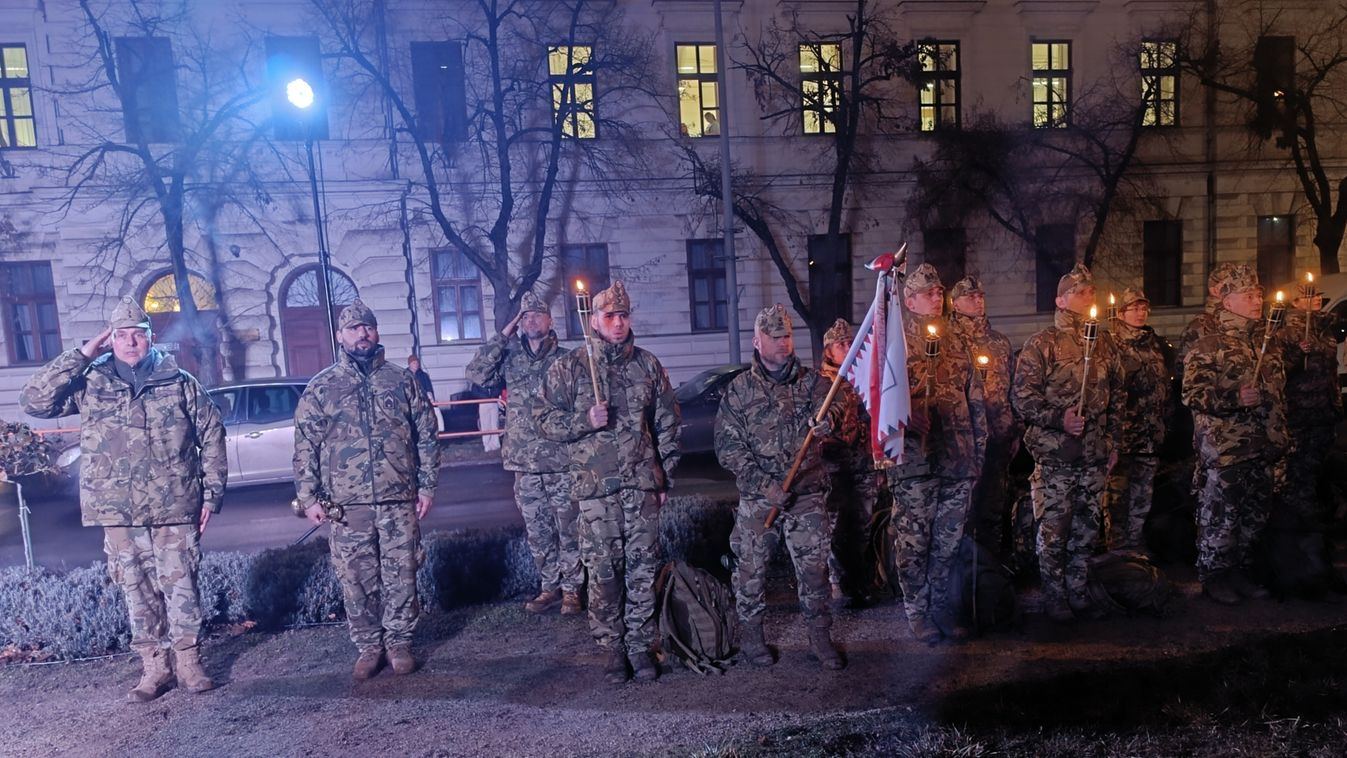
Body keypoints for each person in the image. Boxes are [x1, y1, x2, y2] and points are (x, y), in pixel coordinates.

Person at [20, 297, 226, 702]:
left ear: (151, 338)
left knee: (182, 586)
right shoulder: (90, 382)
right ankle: (154, 668)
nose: (130, 342)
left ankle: (189, 663)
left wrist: (212, 495)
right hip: (118, 510)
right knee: (136, 591)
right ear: (108, 339)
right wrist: (80, 356)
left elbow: (212, 435)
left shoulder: (179, 381)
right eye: (121, 335)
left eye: (138, 334)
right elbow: (34, 402)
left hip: (174, 505)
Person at [537, 280, 680, 684]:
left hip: (640, 486)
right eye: (610, 317)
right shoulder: (571, 367)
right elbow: (541, 420)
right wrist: (585, 421)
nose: (618, 324)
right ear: (594, 321)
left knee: (641, 570)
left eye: (624, 316)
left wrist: (664, 474)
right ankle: (612, 648)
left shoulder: (648, 365)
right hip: (596, 490)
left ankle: (639, 645)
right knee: (603, 573)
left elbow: (667, 422)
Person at [292, 300, 440, 680]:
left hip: (398, 498)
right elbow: (306, 444)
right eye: (355, 328)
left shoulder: (401, 380)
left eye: (368, 327)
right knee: (356, 578)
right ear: (340, 336)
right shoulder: (322, 387)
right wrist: (308, 496)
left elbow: (426, 433)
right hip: (347, 503)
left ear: (376, 333)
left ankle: (399, 643)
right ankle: (369, 646)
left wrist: (427, 485)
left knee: (402, 574)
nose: (362, 334)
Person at [716, 304, 845, 668]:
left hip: (805, 496)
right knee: (750, 571)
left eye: (787, 335)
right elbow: (729, 448)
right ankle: (752, 639)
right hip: (761, 500)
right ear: (757, 342)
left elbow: (833, 406)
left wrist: (827, 422)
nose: (783, 343)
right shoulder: (739, 391)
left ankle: (820, 639)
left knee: (814, 573)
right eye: (774, 337)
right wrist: (764, 485)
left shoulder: (811, 382)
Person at [1012, 263, 1123, 623]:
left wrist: (1113, 440)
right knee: (1055, 527)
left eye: (1091, 291)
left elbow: (1117, 395)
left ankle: (1078, 589)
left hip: (1093, 454)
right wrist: (1059, 419)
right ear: (1061, 300)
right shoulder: (1042, 344)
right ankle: (1054, 595)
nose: (1088, 296)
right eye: (1080, 292)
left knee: (1087, 527)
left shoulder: (1104, 342)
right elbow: (1023, 397)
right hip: (1057, 455)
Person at [466, 290, 583, 616]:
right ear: (520, 323)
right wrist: (503, 334)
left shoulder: (568, 359)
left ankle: (573, 589)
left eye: (537, 315)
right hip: (525, 462)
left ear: (550, 321)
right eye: (525, 316)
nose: (531, 320)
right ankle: (550, 587)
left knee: (568, 528)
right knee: (538, 530)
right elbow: (476, 374)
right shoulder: (510, 357)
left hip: (561, 459)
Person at [888, 266, 987, 643]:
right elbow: (879, 401)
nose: (936, 297)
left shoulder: (958, 339)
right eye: (928, 292)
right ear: (909, 300)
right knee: (914, 543)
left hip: (957, 458)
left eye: (939, 291)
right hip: (915, 464)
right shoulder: (896, 341)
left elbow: (974, 399)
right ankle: (918, 612)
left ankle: (942, 607)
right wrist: (906, 415)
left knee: (947, 543)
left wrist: (978, 452)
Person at [1182, 265, 1288, 604]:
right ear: (1227, 302)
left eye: (1259, 294)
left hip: (1262, 447)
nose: (1257, 300)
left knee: (1253, 515)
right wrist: (1232, 398)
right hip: (1226, 448)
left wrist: (1280, 438)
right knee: (1221, 515)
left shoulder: (1266, 344)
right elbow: (1192, 394)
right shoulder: (1208, 345)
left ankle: (1240, 570)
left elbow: (1278, 397)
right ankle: (1215, 575)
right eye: (1248, 296)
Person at [948, 275, 1017, 557]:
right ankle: (962, 573)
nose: (978, 301)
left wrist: (1015, 429)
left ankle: (991, 570)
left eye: (980, 296)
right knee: (961, 511)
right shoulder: (947, 340)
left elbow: (1013, 388)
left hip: (997, 439)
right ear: (955, 304)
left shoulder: (999, 343)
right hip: (962, 442)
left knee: (993, 506)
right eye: (970, 297)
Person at [1103, 288, 1172, 552]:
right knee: (1117, 495)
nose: (1141, 313)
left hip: (1149, 435)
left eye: (1144, 308)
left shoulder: (1153, 344)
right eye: (1134, 308)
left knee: (1143, 495)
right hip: (1124, 436)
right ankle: (1117, 548)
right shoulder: (1111, 344)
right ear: (1121, 313)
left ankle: (1135, 544)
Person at [819, 318, 878, 607]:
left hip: (862, 465)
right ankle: (835, 583)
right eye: (840, 344)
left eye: (849, 342)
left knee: (860, 525)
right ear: (828, 351)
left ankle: (858, 581)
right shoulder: (820, 384)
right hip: (834, 468)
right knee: (833, 527)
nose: (847, 346)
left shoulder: (864, 378)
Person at [1281, 282, 1343, 530]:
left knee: (1319, 466)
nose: (1316, 298)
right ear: (1295, 303)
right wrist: (1297, 354)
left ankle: (1319, 517)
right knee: (1299, 471)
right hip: (1301, 413)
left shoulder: (1323, 327)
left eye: (1317, 294)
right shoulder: (1288, 332)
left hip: (1324, 410)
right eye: (1308, 295)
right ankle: (1300, 525)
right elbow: (1280, 370)